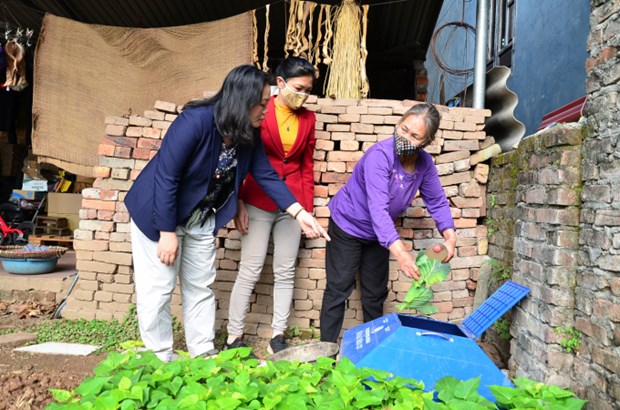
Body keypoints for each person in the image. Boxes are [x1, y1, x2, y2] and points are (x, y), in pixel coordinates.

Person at [124, 64, 329, 362]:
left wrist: (299, 213)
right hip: (159, 215)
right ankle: (158, 358)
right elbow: (167, 177)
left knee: (200, 286)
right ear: (242, 101)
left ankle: (203, 353)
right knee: (159, 288)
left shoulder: (248, 134)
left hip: (200, 218)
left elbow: (266, 175)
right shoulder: (194, 122)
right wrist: (166, 231)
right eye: (261, 104)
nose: (266, 110)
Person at [319, 102, 457, 343]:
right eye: (403, 129)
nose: (405, 137)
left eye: (415, 136)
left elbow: (437, 201)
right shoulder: (379, 156)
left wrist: (450, 235)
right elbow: (378, 210)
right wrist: (402, 255)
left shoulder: (424, 164)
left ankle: (373, 350)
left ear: (426, 142)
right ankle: (326, 351)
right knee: (338, 289)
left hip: (378, 236)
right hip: (348, 226)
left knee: (375, 294)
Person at [226, 57, 316, 354]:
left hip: (291, 206)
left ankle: (278, 336)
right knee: (250, 269)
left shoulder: (308, 119)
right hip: (256, 199)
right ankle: (233, 337)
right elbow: (242, 157)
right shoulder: (260, 112)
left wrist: (306, 212)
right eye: (299, 88)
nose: (303, 95)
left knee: (285, 270)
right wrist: (237, 200)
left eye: (308, 90)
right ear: (280, 83)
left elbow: (305, 166)